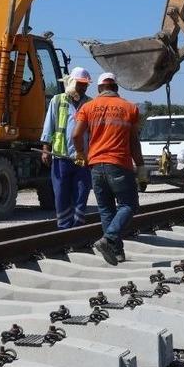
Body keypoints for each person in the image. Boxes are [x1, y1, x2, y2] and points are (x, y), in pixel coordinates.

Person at [72, 72, 144, 265]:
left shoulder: (88, 107)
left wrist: (81, 154)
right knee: (129, 204)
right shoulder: (130, 108)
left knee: (106, 210)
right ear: (116, 88)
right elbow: (134, 141)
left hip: (95, 165)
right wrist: (142, 166)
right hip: (119, 164)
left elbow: (76, 135)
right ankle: (109, 238)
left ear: (99, 88)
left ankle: (117, 253)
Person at [40, 67, 93, 230]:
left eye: (85, 85)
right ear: (72, 83)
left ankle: (77, 227)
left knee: (81, 193)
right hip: (61, 156)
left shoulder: (90, 103)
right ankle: (64, 228)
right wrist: (45, 147)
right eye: (80, 84)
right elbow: (50, 125)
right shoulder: (57, 100)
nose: (83, 88)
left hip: (83, 158)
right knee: (61, 194)